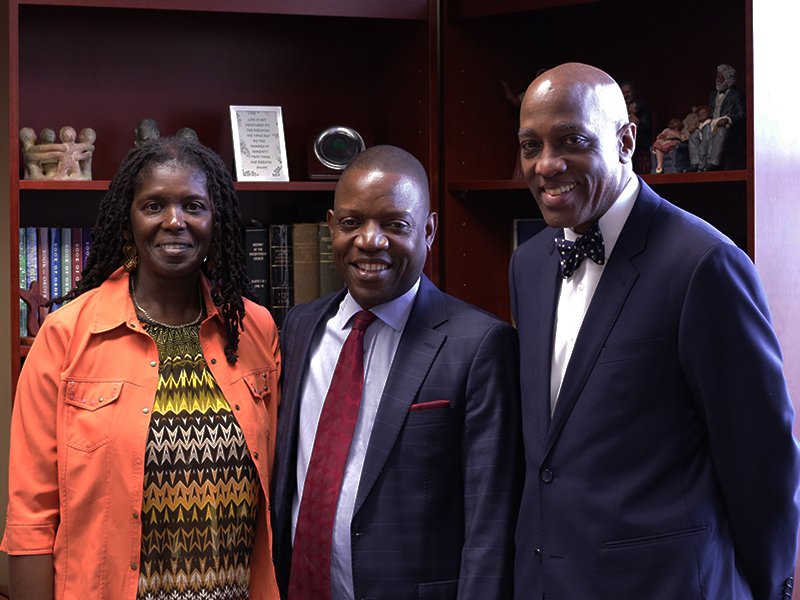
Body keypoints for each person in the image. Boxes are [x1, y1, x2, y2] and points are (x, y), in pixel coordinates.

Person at [510, 62, 800, 599]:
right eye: (531, 146)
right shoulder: (526, 266)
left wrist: (765, 589)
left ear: (626, 141)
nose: (546, 165)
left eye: (571, 141)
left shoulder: (705, 265)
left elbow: (763, 463)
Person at [2, 136, 282, 600]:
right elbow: (30, 516)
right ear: (128, 220)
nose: (175, 222)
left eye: (193, 205)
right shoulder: (66, 334)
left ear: (217, 220)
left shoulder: (254, 329)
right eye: (154, 206)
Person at [272, 145, 522, 600]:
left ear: (428, 231)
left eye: (395, 224)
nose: (370, 241)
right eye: (351, 223)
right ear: (331, 227)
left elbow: (491, 518)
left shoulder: (481, 344)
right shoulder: (298, 326)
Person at [687, 64, 746, 171]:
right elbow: (710, 113)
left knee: (721, 131)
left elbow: (742, 115)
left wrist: (728, 119)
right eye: (717, 77)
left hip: (730, 129)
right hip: (711, 125)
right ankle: (696, 164)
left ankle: (714, 164)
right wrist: (701, 121)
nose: (717, 80)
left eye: (720, 78)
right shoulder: (713, 95)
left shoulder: (737, 95)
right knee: (694, 134)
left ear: (729, 79)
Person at [620, 81, 652, 173]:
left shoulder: (641, 107)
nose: (626, 95)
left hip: (640, 138)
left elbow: (646, 126)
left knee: (627, 141)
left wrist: (637, 123)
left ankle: (628, 171)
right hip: (622, 136)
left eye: (628, 92)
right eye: (623, 93)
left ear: (634, 92)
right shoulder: (620, 107)